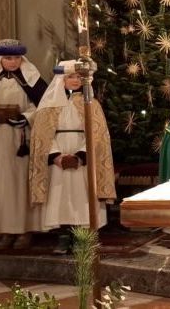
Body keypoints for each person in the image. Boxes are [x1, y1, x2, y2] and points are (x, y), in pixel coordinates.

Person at [29, 60, 116, 253]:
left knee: (83, 197)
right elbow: (42, 135)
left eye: (78, 77)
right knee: (59, 198)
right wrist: (56, 156)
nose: (75, 81)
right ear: (62, 79)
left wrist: (81, 155)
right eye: (71, 77)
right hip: (58, 159)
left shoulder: (91, 104)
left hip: (82, 160)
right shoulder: (48, 105)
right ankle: (63, 237)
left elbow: (98, 134)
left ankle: (83, 238)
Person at [0, 39, 47, 249]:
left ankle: (24, 230)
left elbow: (43, 106)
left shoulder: (33, 81)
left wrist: (26, 118)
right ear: (0, 59)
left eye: (15, 58)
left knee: (20, 184)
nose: (12, 62)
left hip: (20, 140)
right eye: (7, 58)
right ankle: (4, 230)